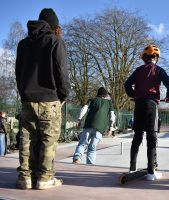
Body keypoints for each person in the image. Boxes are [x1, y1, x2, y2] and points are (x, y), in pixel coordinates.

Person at [15, 8, 70, 190]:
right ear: (55, 26)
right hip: (49, 99)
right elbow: (61, 71)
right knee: (48, 139)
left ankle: (25, 178)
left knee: (27, 139)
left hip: (27, 99)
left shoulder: (23, 45)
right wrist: (64, 94)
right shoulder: (55, 41)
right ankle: (45, 178)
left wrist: (24, 94)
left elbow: (18, 72)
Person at [124, 44, 169, 181]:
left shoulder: (138, 70)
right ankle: (151, 172)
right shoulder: (158, 69)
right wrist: (168, 96)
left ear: (144, 58)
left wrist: (133, 95)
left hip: (139, 105)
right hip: (151, 105)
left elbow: (127, 84)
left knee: (137, 137)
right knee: (151, 139)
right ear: (156, 58)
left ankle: (132, 168)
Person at [73, 87, 113, 164]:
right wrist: (110, 128)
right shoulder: (109, 103)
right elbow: (112, 115)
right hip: (100, 129)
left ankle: (77, 158)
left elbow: (84, 108)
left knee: (82, 143)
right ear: (105, 95)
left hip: (88, 125)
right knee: (92, 147)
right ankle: (90, 164)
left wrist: (79, 120)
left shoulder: (92, 100)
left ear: (98, 94)